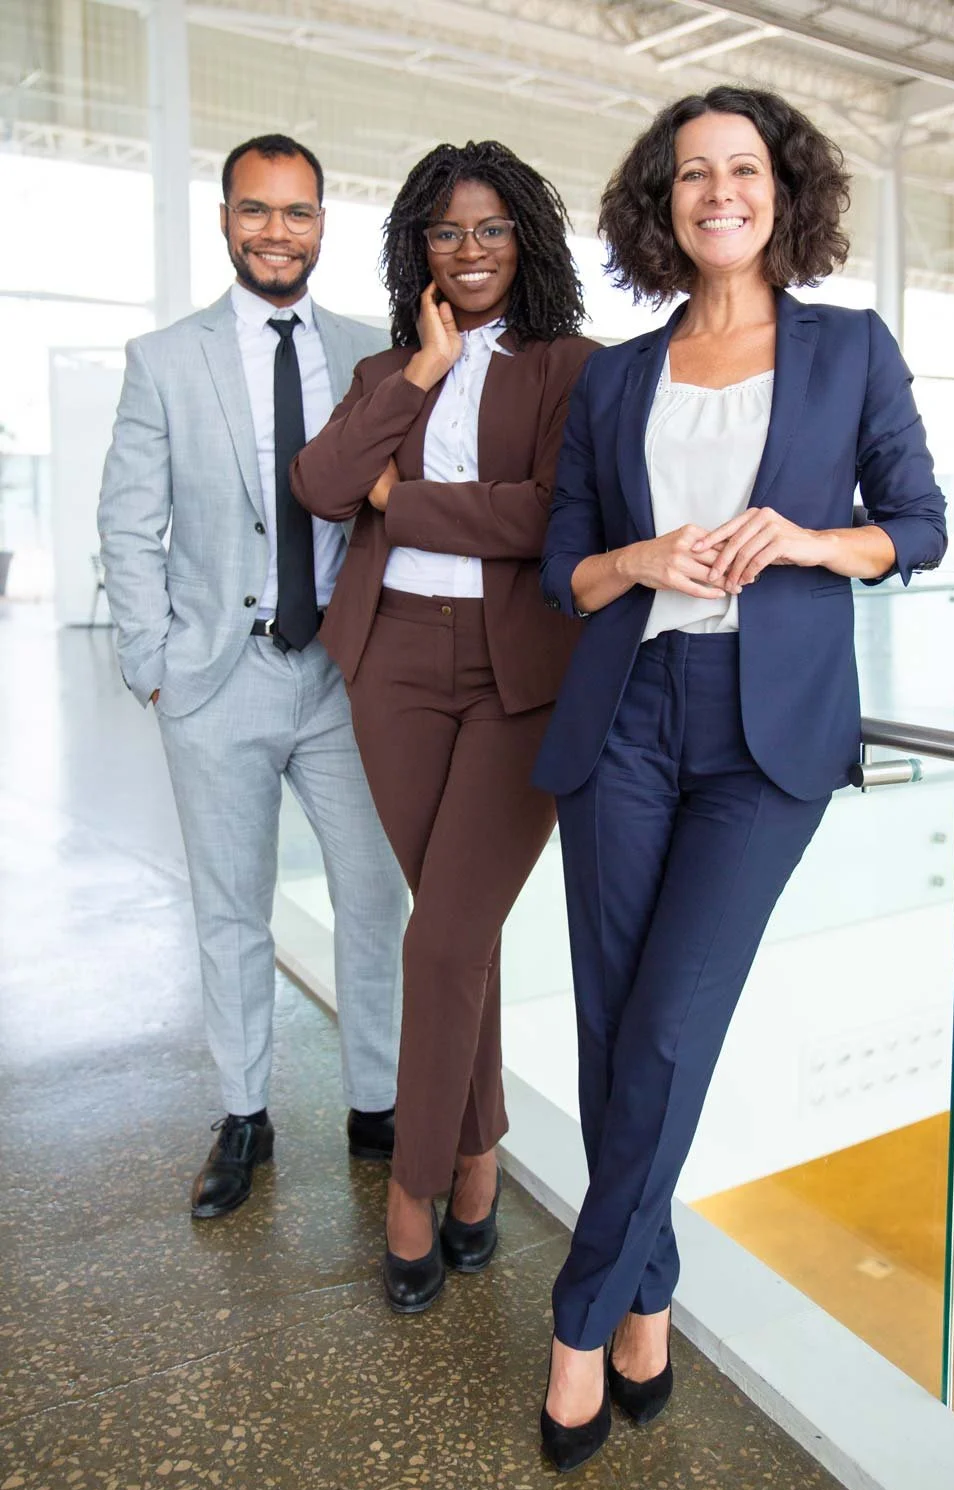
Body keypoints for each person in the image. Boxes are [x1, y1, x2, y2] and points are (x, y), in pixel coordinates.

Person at [532, 86, 948, 1471]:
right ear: (662, 201)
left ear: (786, 191)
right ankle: (649, 1293)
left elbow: (919, 526)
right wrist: (643, 563)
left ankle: (580, 1318)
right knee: (609, 1025)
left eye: (745, 168)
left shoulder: (847, 350)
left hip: (765, 737)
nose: (721, 190)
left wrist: (812, 541)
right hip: (627, 712)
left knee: (663, 1030)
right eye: (692, 172)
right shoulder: (616, 377)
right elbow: (565, 567)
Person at [291, 140, 599, 1312]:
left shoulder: (574, 368)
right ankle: (479, 1158)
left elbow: (552, 514)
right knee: (456, 936)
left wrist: (405, 502)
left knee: (442, 938)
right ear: (416, 247)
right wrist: (420, 374)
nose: (467, 253)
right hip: (395, 666)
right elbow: (322, 485)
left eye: (489, 230)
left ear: (526, 238)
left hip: (522, 678)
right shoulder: (388, 368)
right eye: (444, 233)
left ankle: (417, 1189)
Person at [98, 134, 408, 1221]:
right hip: (214, 682)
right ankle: (245, 1116)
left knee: (376, 895)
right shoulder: (164, 359)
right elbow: (128, 524)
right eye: (256, 210)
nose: (277, 231)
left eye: (298, 212)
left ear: (325, 223)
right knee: (233, 913)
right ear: (225, 218)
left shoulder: (376, 355)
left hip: (343, 678)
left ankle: (378, 1105)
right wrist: (153, 666)